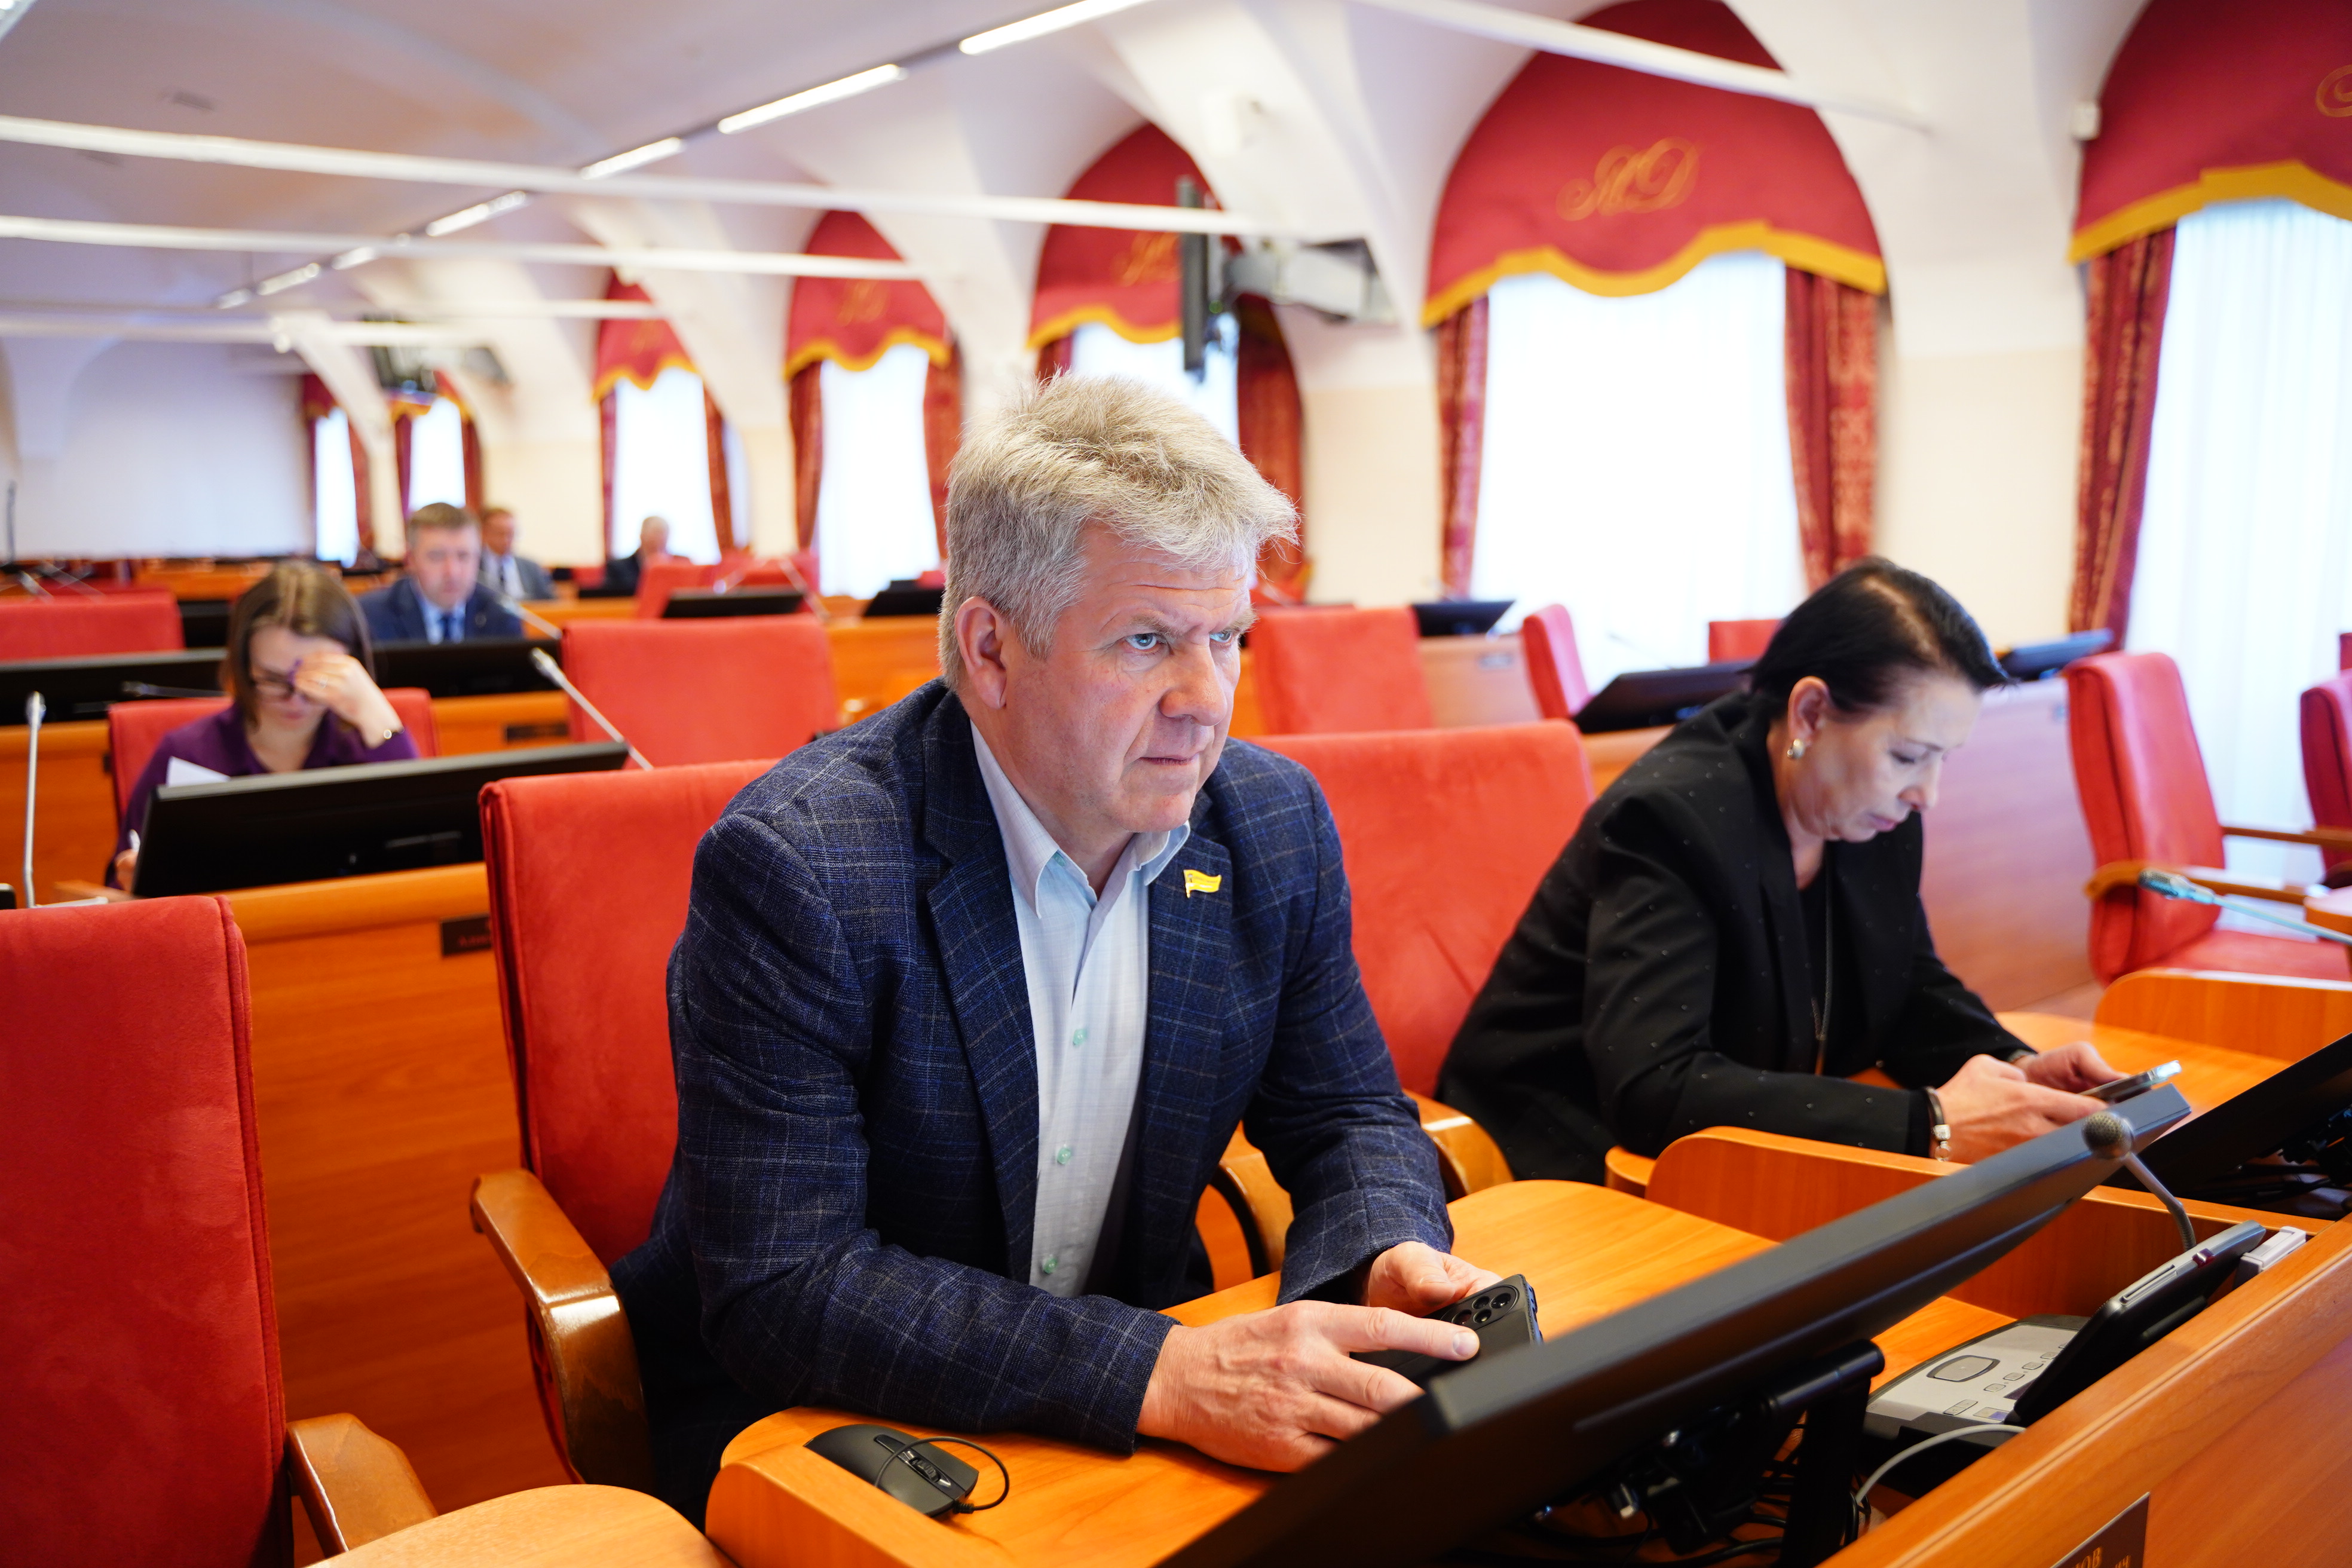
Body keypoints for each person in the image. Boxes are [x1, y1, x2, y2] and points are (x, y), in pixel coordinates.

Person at [613, 377, 1492, 1523]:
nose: (1206, 698)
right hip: (821, 1421)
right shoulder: (802, 867)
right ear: (990, 649)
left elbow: (1346, 1115)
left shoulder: (1269, 823)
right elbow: (788, 1285)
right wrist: (1157, 1370)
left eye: (1228, 636)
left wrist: (1383, 1250)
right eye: (1146, 641)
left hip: (1135, 1406)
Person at [1437, 559, 2124, 1183]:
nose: (1928, 793)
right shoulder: (1672, 816)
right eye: (1909, 756)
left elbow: (1904, 982)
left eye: (1943, 758)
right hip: (1554, 1139)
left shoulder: (1871, 807)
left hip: (1704, 1131)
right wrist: (1931, 1122)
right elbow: (1656, 1085)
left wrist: (2018, 1070)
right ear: (1811, 713)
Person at [111, 561, 415, 889]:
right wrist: (133, 879)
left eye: (319, 682)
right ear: (245, 668)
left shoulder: (371, 747)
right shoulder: (189, 753)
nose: (296, 700)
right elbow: (117, 883)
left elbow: (422, 860)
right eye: (273, 679)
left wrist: (380, 719)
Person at [359, 503, 522, 644]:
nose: (452, 572)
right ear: (411, 560)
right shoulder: (370, 616)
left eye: (463, 556)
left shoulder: (500, 613)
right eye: (436, 557)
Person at [477, 505, 552, 601]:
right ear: (484, 533)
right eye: (500, 533)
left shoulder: (531, 568)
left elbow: (550, 602)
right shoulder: (474, 565)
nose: (507, 540)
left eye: (511, 534)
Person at [586, 515, 672, 597]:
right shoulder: (617, 568)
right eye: (657, 532)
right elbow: (610, 599)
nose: (661, 538)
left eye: (664, 533)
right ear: (642, 535)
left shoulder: (676, 566)